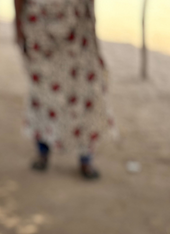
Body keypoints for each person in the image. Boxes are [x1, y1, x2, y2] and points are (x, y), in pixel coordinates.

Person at [14, 0, 115, 179]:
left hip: (79, 31)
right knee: (44, 94)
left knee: (85, 92)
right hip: (40, 31)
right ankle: (43, 150)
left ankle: (86, 157)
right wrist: (19, 26)